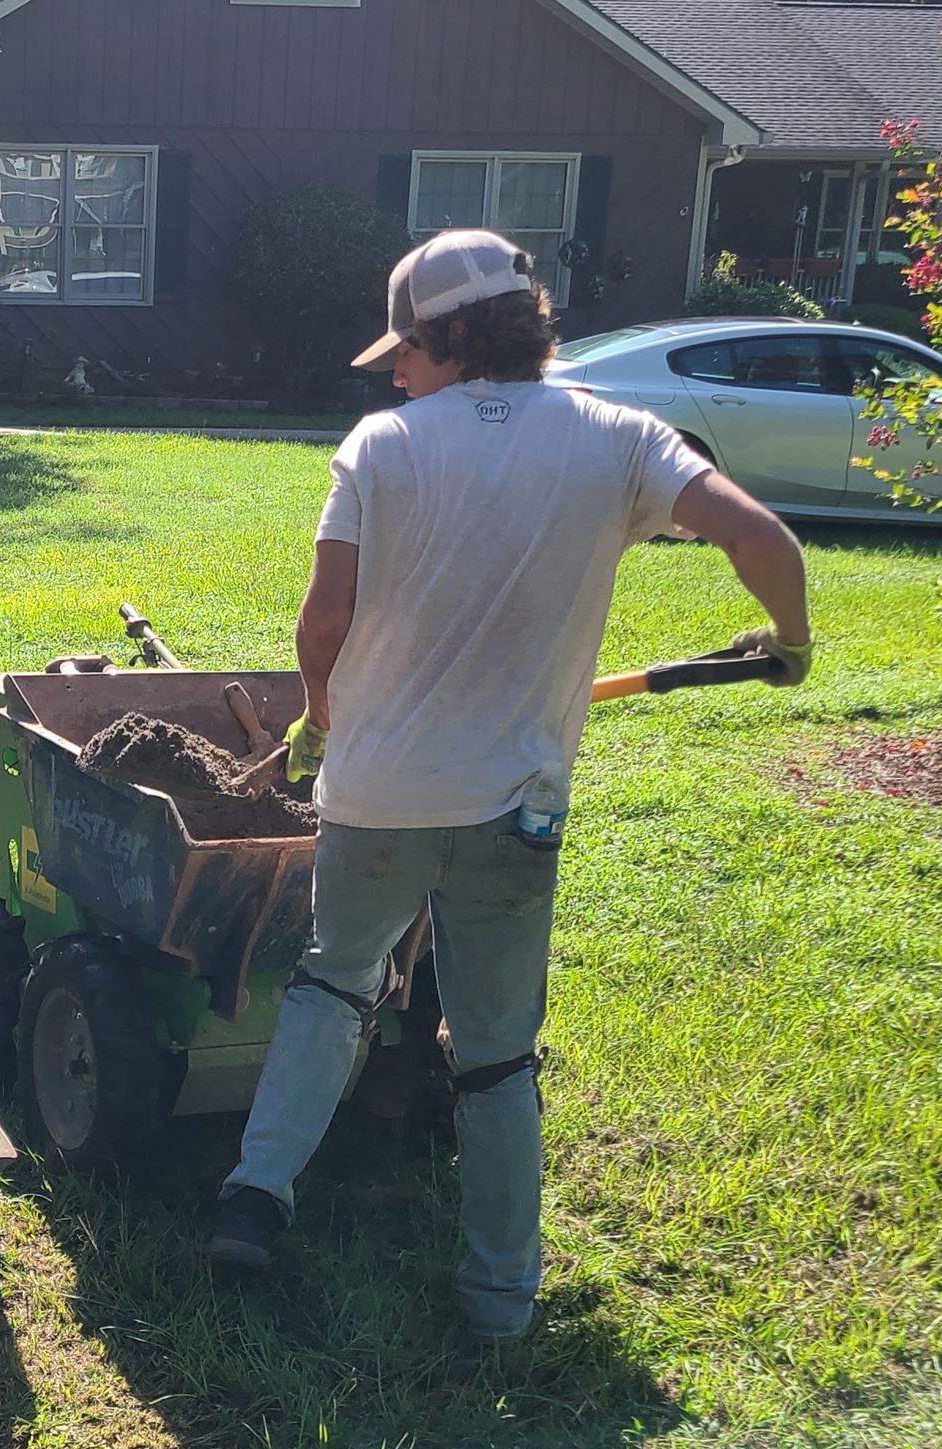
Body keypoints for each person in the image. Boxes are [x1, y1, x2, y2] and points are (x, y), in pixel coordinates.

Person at [204, 230, 811, 1342]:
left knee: (335, 982)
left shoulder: (382, 446)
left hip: (378, 796)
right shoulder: (621, 438)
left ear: (449, 337)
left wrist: (324, 710)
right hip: (513, 809)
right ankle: (498, 1299)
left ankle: (258, 1193)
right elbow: (763, 538)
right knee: (493, 1057)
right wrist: (791, 638)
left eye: (406, 351)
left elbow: (324, 620)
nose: (393, 373)